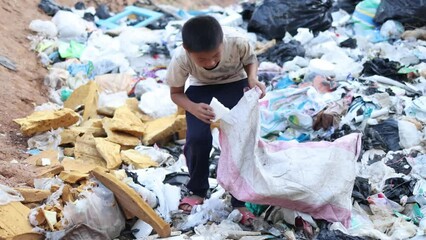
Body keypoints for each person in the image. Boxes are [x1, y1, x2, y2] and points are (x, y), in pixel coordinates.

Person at [166, 15, 266, 225]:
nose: (210, 63)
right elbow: (176, 93)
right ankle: (197, 190)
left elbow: (250, 60)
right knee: (197, 140)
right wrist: (193, 108)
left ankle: (240, 199)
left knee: (241, 140)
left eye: (215, 55)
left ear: (223, 43)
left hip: (235, 83)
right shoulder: (180, 59)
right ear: (186, 49)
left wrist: (252, 78)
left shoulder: (237, 41)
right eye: (202, 60)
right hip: (200, 89)